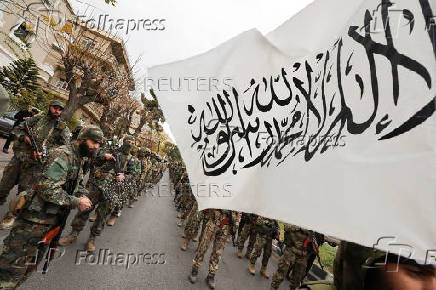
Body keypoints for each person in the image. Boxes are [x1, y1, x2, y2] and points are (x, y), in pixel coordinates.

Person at [0, 125, 102, 289]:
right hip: (33, 222)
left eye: (99, 144)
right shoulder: (63, 155)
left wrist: (82, 194)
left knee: (28, 268)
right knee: (10, 269)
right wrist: (76, 202)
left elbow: (74, 185)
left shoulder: (78, 158)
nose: (96, 147)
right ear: (82, 139)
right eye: (94, 142)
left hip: (50, 222)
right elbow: (47, 188)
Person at [0, 100, 70, 229]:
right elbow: (18, 129)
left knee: (23, 194)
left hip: (36, 166)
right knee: (3, 186)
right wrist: (24, 138)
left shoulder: (62, 128)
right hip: (19, 158)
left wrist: (47, 153)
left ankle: (11, 215)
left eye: (60, 109)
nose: (57, 111)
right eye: (55, 108)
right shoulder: (37, 119)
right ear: (49, 107)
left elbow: (65, 148)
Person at [189, 209, 235, 289]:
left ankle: (211, 275)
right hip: (213, 223)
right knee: (203, 247)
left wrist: (235, 225)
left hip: (225, 227)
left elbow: (239, 212)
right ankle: (195, 269)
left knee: (217, 253)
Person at [271, 224, 312, 290]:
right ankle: (273, 288)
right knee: (281, 272)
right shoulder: (295, 220)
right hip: (291, 251)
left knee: (297, 278)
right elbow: (286, 227)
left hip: (303, 255)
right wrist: (300, 228)